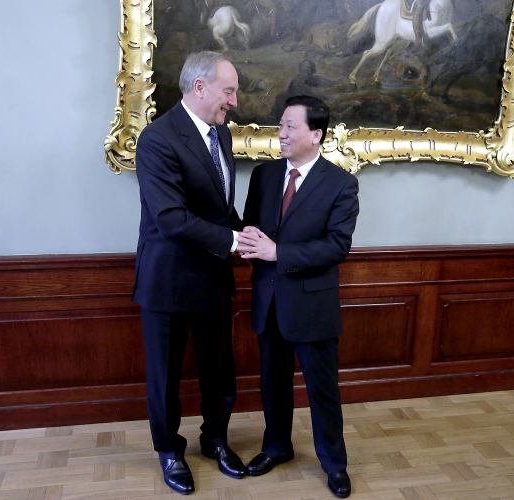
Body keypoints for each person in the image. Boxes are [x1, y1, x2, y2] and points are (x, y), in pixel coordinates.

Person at [133, 51, 247, 495]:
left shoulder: (222, 133)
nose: (233, 101)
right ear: (199, 87)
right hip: (168, 280)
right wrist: (233, 241)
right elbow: (171, 218)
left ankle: (215, 440)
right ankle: (169, 451)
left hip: (213, 277)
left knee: (220, 369)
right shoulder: (157, 139)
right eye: (228, 91)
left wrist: (245, 233)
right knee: (165, 376)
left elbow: (217, 207)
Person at [238, 95, 360, 498]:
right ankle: (277, 447)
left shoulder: (341, 183)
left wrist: (279, 253)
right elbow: (253, 227)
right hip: (269, 300)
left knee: (322, 390)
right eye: (281, 125)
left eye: (290, 126)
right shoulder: (264, 175)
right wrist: (246, 240)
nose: (282, 133)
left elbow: (337, 246)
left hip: (312, 306)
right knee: (272, 383)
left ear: (316, 134)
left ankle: (334, 465)